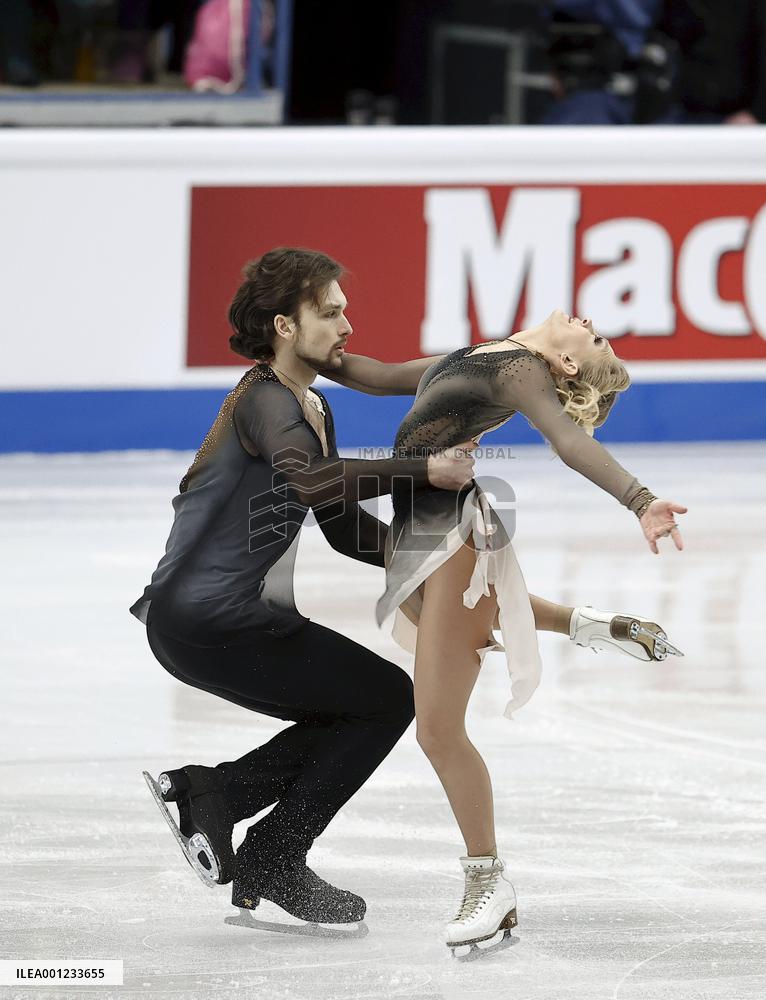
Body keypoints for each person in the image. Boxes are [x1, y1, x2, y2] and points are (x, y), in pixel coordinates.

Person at [322, 311, 686, 953]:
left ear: (567, 365)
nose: (593, 324)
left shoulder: (520, 371)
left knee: (437, 730)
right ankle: (587, 623)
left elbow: (567, 440)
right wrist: (298, 349)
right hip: (417, 531)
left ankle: (488, 882)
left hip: (454, 534)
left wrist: (639, 499)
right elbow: (375, 376)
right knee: (445, 630)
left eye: (596, 339)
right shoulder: (481, 355)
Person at [131, 247, 475, 926]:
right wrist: (421, 471)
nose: (346, 326)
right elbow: (314, 480)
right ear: (284, 326)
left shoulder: (312, 406)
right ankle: (266, 845)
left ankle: (223, 799)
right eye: (329, 312)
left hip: (220, 621)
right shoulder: (263, 400)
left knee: (364, 703)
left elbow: (344, 530)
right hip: (207, 620)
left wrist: (431, 567)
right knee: (380, 701)